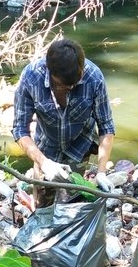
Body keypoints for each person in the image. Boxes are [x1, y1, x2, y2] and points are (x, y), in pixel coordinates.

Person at [11, 38, 115, 207]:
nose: (69, 89)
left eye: (75, 85)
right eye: (63, 85)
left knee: (70, 203)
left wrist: (102, 172)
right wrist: (44, 163)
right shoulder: (31, 77)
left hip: (79, 146)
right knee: (42, 205)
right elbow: (20, 129)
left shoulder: (94, 78)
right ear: (50, 71)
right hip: (45, 147)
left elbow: (106, 126)